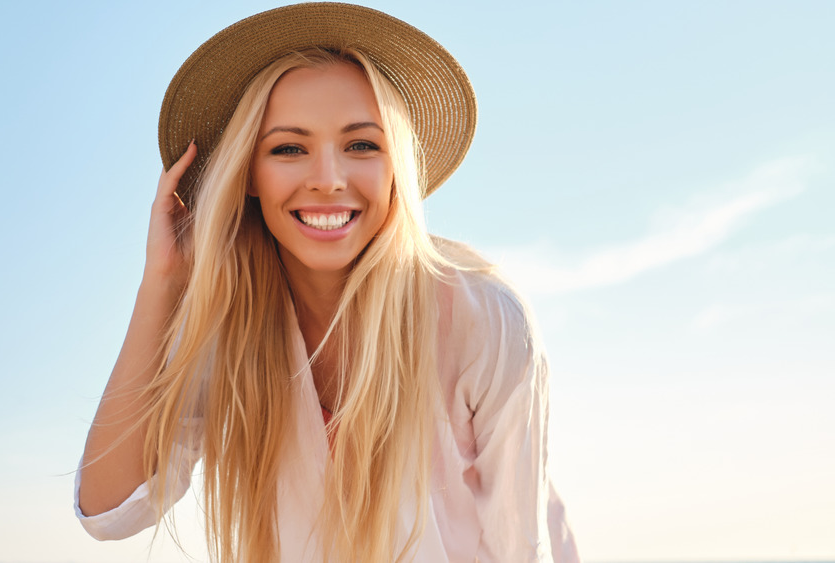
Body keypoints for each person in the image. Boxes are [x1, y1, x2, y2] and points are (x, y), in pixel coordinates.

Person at [75, 3, 580, 562]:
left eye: (363, 144)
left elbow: (521, 542)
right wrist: (162, 283)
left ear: (398, 167)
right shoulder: (227, 327)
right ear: (247, 174)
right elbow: (110, 511)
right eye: (288, 148)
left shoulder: (481, 316)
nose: (328, 180)